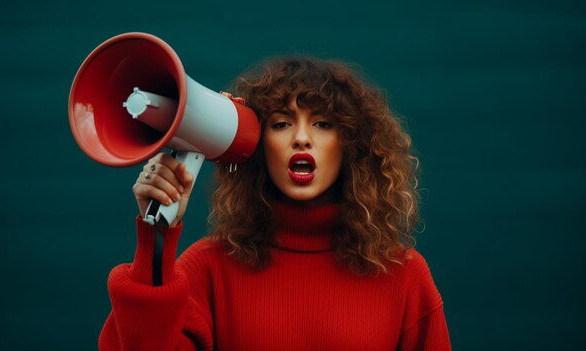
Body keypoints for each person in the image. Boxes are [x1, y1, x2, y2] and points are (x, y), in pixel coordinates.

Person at [98, 57, 451, 350]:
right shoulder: (209, 268)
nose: (300, 138)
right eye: (281, 124)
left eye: (323, 124)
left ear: (351, 146)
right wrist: (156, 233)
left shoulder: (403, 276)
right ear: (257, 144)